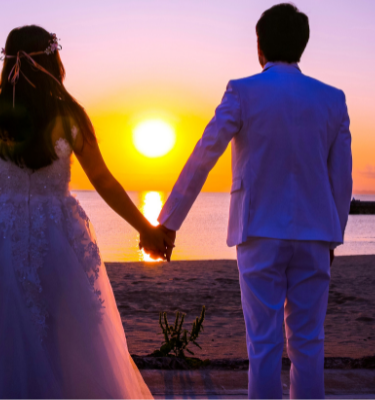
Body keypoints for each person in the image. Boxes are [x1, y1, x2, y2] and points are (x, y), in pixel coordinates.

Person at [0, 25, 170, 399]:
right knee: (64, 338)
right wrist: (146, 228)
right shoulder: (69, 113)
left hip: (2, 236)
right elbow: (103, 180)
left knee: (1, 339)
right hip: (57, 236)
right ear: (52, 60)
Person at [144, 4, 353, 398]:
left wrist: (168, 221)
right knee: (309, 344)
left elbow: (206, 152)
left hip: (258, 231)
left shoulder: (243, 91)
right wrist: (333, 236)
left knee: (264, 345)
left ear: (259, 45)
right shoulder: (332, 99)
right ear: (303, 45)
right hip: (315, 236)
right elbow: (341, 179)